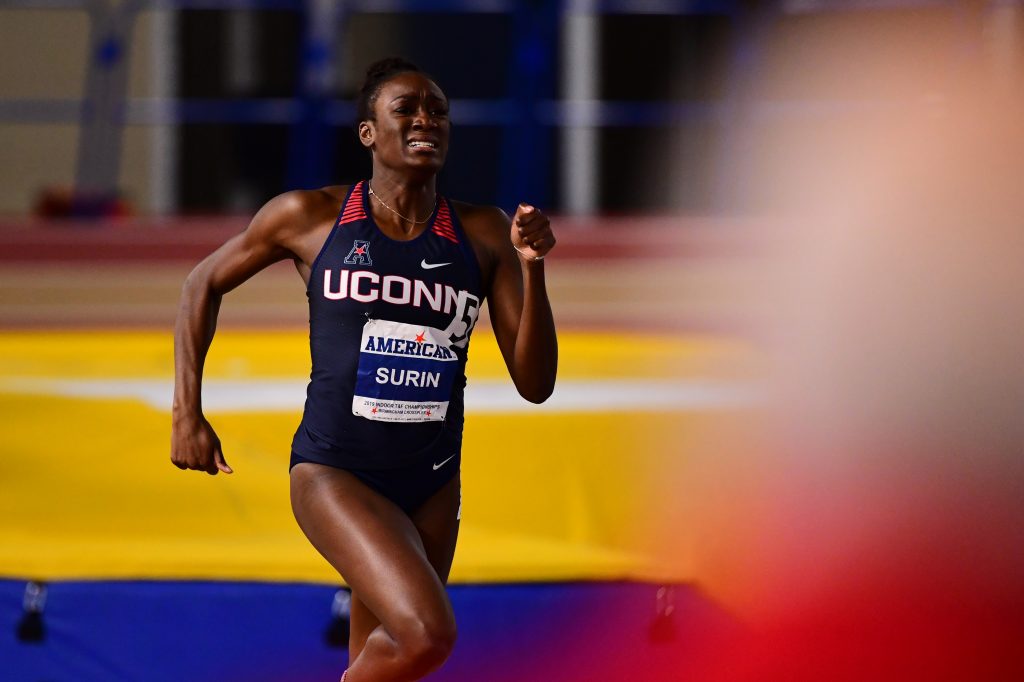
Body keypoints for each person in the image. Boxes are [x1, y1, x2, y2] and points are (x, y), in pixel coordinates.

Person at [170, 57, 558, 681]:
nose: (426, 119)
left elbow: (535, 384)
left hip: (432, 482)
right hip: (336, 471)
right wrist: (188, 412)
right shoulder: (311, 216)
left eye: (437, 110)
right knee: (427, 635)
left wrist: (532, 266)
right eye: (406, 109)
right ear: (368, 132)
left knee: (386, 658)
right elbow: (201, 284)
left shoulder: (483, 232)